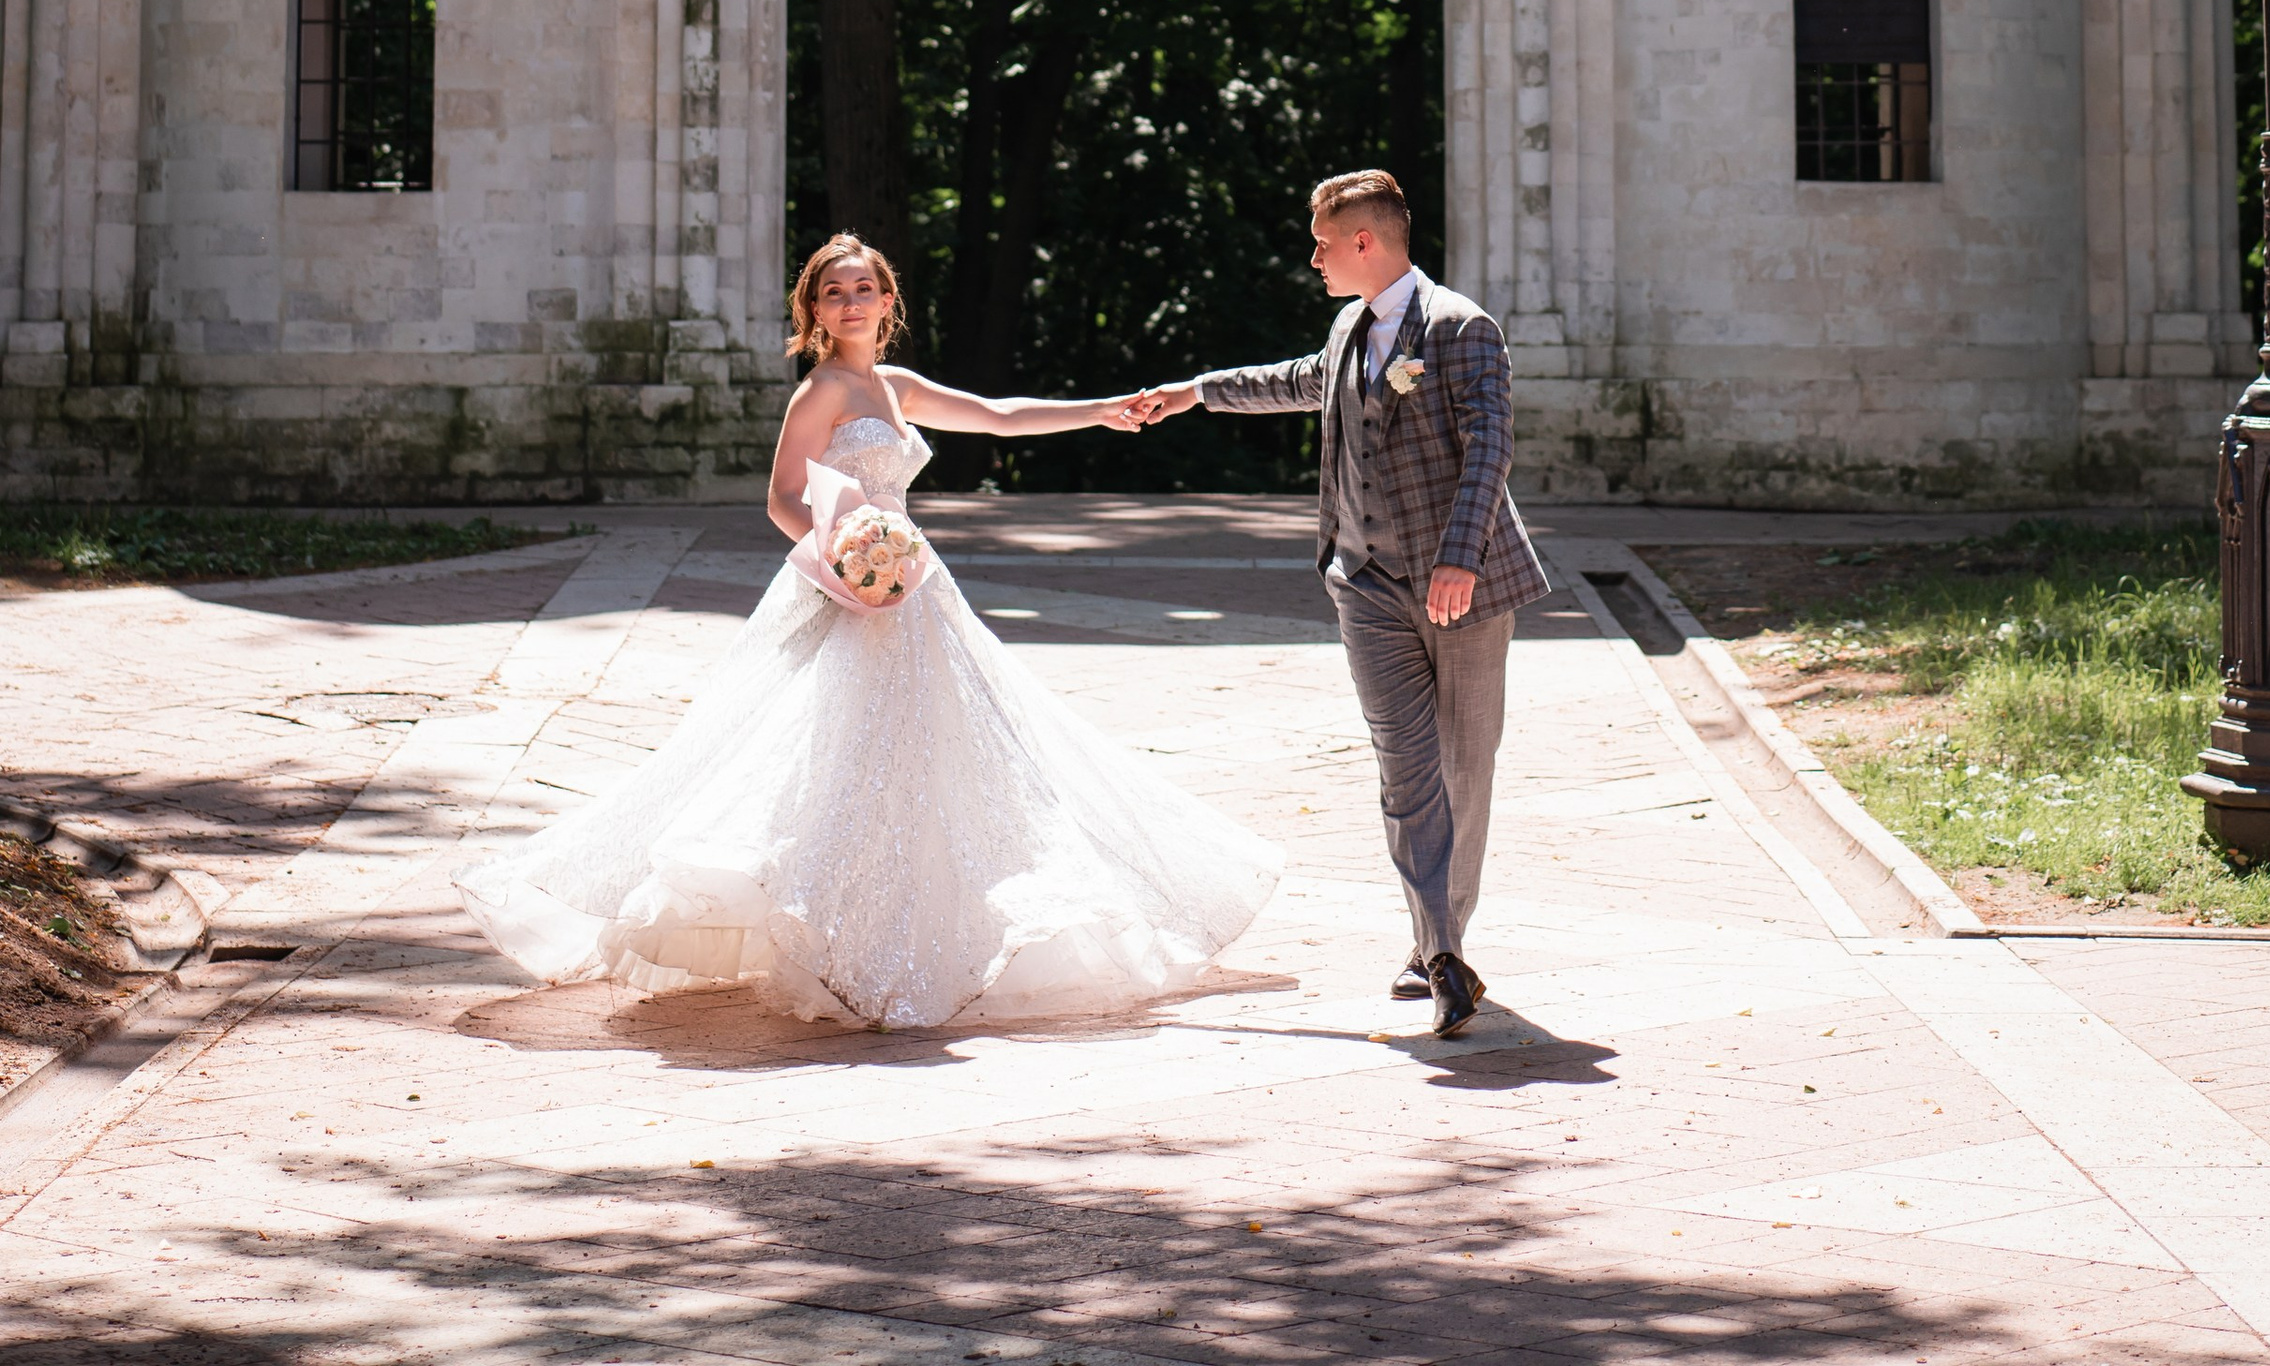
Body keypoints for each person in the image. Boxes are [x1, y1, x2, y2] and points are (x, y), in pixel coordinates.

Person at [455, 233, 1280, 1030]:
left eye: (864, 288)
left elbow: (995, 415)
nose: (850, 302)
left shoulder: (893, 384)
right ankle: (836, 941)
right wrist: (843, 553)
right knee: (840, 760)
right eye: (832, 290)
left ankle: (914, 939)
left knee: (935, 760)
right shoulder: (819, 394)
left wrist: (1102, 412)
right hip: (847, 590)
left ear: (888, 300)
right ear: (813, 308)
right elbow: (782, 497)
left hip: (915, 592)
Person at [1136, 168, 1545, 1037]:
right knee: (1407, 772)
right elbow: (1299, 379)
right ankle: (1442, 955)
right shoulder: (1348, 326)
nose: (1312, 257)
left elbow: (1491, 448)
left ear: (1365, 242)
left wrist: (1458, 557)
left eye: (1323, 242)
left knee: (1464, 768)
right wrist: (1198, 391)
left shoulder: (1461, 327)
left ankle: (1440, 939)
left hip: (1461, 586)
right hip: (1364, 581)